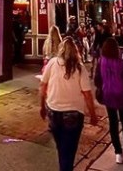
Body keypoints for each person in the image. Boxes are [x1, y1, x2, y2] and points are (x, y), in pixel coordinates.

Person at [40, 38, 98, 171]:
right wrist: (92, 114)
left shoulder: (53, 63)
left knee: (61, 147)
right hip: (73, 114)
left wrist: (42, 106)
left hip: (54, 111)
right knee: (68, 150)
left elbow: (42, 85)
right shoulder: (79, 68)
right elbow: (87, 94)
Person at [94, 38, 123, 164]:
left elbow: (97, 80)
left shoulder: (101, 62)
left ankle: (118, 153)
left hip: (108, 94)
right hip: (121, 94)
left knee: (113, 123)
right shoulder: (121, 63)